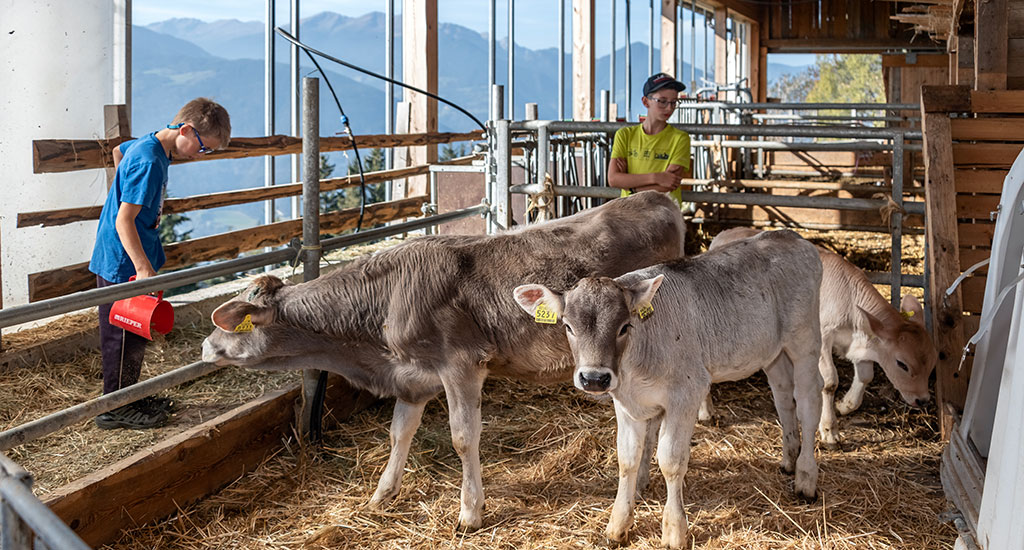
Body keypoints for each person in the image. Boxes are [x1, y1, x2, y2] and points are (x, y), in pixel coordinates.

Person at [89, 97, 231, 429]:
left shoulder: (152, 146)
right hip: (123, 261)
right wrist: (142, 269)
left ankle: (131, 396)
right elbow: (125, 221)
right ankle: (113, 408)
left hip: (133, 255)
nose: (200, 155)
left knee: (136, 332)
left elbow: (120, 152)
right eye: (203, 147)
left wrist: (122, 187)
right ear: (186, 129)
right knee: (120, 336)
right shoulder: (150, 161)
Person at [607, 73, 691, 206]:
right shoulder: (624, 135)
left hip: (664, 213)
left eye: (674, 102)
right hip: (630, 212)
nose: (669, 108)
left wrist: (631, 187)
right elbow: (613, 179)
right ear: (646, 102)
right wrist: (656, 178)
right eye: (662, 101)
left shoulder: (680, 139)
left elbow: (669, 184)